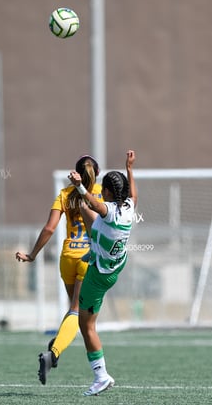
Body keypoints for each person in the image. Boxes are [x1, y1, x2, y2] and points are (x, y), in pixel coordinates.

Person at [15, 155, 102, 385]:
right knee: (78, 311)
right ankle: (52, 353)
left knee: (73, 310)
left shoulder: (64, 194)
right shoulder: (102, 193)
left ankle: (54, 354)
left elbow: (49, 228)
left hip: (67, 257)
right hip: (88, 257)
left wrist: (32, 254)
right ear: (97, 174)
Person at [68, 149, 137, 396]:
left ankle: (101, 375)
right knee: (90, 217)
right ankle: (93, 251)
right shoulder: (130, 207)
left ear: (107, 192)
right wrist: (129, 168)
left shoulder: (107, 212)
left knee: (86, 325)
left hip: (98, 276)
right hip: (116, 264)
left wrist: (79, 186)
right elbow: (131, 193)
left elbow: (95, 204)